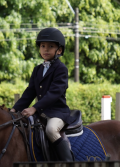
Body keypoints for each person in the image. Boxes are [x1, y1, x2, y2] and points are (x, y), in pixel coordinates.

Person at [10, 27, 74, 161]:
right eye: (43, 46)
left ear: (59, 50)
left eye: (50, 46)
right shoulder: (38, 69)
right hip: (40, 113)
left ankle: (68, 161)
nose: (45, 49)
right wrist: (15, 109)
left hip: (57, 112)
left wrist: (34, 108)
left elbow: (54, 93)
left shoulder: (61, 69)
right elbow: (30, 92)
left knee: (51, 130)